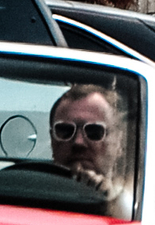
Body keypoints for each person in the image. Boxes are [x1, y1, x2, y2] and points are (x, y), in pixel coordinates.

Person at [48, 81, 132, 215]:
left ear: (119, 142)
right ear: (52, 139)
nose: (78, 142)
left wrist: (111, 204)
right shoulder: (24, 194)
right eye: (65, 130)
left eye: (95, 132)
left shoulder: (137, 204)